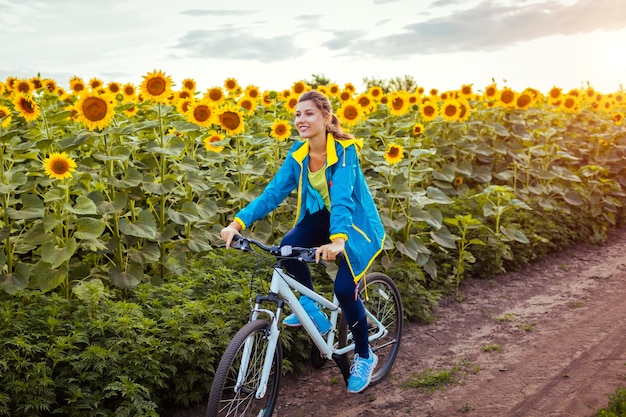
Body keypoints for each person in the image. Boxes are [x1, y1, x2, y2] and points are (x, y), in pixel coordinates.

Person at [220, 90, 386, 394]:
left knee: (345, 290)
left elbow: (342, 200)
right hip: (323, 218)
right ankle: (313, 311)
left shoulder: (345, 151)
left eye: (308, 113)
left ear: (325, 117)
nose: (300, 119)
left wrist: (338, 241)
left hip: (355, 226)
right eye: (297, 114)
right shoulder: (298, 155)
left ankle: (364, 354)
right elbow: (273, 193)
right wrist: (237, 223)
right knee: (287, 248)